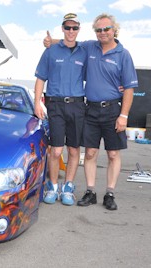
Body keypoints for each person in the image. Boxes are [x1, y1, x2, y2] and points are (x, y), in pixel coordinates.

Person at [44, 13, 138, 210]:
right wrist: (50, 41)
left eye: (106, 29)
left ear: (114, 30)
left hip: (113, 110)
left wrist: (124, 116)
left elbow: (129, 88)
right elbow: (69, 41)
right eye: (98, 30)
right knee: (90, 153)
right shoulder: (89, 47)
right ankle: (90, 191)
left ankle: (110, 193)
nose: (102, 33)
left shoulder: (123, 54)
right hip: (91, 110)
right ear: (95, 32)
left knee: (113, 154)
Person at [34, 13, 87, 206]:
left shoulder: (85, 50)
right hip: (55, 104)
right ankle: (53, 185)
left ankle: (68, 186)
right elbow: (40, 78)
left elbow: (99, 71)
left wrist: (118, 86)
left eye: (74, 28)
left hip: (77, 104)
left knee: (74, 149)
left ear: (79, 29)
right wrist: (36, 103)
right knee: (55, 151)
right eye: (67, 27)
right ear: (63, 28)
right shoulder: (51, 51)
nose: (71, 31)